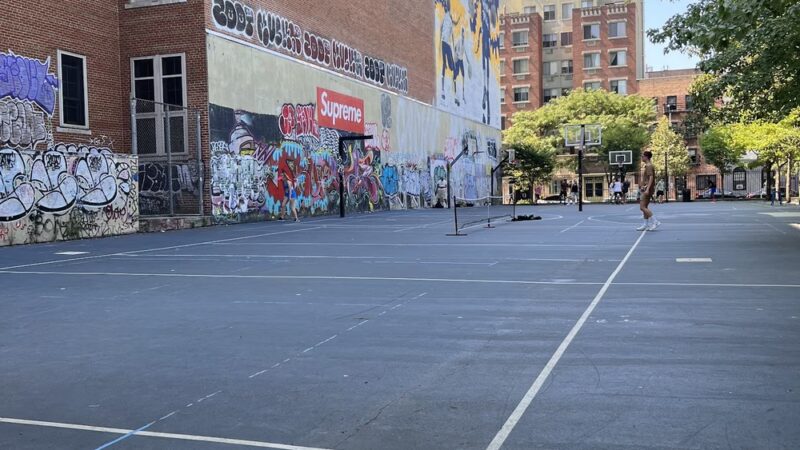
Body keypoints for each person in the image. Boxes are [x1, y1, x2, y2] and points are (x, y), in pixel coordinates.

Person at [637, 150, 659, 231]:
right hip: (646, 188)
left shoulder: (649, 165)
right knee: (645, 207)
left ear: (646, 157)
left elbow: (651, 177)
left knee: (642, 207)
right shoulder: (648, 165)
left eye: (642, 156)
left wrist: (647, 189)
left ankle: (655, 221)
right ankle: (645, 224)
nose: (642, 157)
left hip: (647, 189)